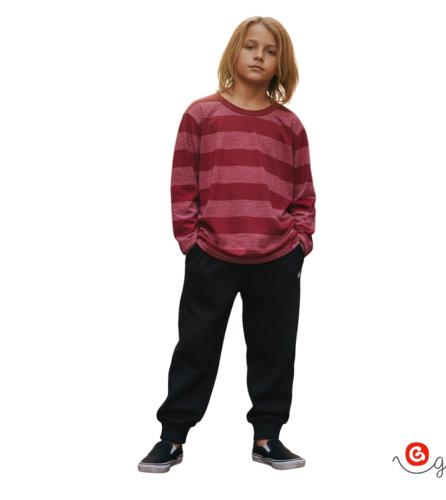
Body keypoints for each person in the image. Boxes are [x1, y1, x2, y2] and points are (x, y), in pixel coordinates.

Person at [138, 15, 316, 473]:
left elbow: (303, 191)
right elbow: (183, 184)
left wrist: (300, 241)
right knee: (195, 347)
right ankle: (172, 437)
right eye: (251, 46)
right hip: (212, 255)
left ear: (281, 64)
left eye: (270, 51)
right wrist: (190, 241)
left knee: (275, 350)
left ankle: (268, 437)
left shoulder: (289, 125)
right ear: (235, 51)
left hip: (277, 257)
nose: (259, 56)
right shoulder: (201, 115)